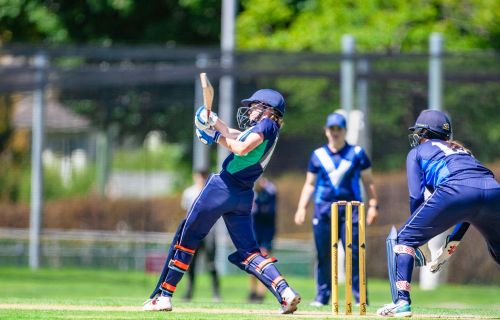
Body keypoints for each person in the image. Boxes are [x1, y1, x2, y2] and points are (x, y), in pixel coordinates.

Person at [143, 89, 301, 314]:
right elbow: (235, 135)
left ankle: (164, 296)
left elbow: (240, 147)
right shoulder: (269, 130)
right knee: (249, 252)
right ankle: (285, 293)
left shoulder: (266, 125)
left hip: (222, 188)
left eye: (255, 105)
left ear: (268, 109)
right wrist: (214, 122)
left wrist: (214, 137)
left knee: (187, 237)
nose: (250, 110)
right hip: (243, 195)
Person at [377, 109, 500, 317]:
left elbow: (416, 196)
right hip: (494, 190)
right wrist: (448, 249)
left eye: (419, 132)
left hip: (456, 189)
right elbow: (470, 209)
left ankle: (401, 302)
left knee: (403, 238)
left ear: (425, 133)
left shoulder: (416, 152)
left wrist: (419, 239)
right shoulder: (463, 151)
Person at [294, 112, 379, 307]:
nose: (335, 133)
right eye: (331, 129)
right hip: (324, 208)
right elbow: (309, 184)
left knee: (355, 253)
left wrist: (374, 205)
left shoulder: (357, 153)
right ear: (326, 131)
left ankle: (360, 297)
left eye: (338, 129)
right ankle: (322, 296)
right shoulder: (318, 155)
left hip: (352, 209)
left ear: (345, 131)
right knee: (323, 253)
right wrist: (301, 207)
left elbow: (368, 182)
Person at [180, 170, 221, 302]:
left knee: (211, 263)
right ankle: (189, 291)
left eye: (204, 176)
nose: (201, 179)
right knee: (191, 264)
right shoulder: (189, 192)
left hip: (208, 232)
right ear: (195, 176)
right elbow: (186, 212)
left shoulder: (211, 191)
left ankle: (216, 293)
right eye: (200, 176)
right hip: (194, 232)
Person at [248, 176, 278, 303]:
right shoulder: (251, 191)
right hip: (254, 233)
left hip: (266, 233)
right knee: (251, 262)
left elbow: (270, 212)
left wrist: (259, 207)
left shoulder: (270, 191)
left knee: (265, 262)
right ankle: (253, 291)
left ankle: (261, 293)